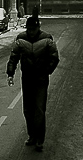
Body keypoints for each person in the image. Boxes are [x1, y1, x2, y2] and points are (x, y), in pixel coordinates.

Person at [6, 16, 59, 152]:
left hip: (41, 79)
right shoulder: (21, 38)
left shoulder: (47, 39)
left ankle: (40, 140)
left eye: (33, 29)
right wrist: (10, 73)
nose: (31, 32)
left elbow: (54, 58)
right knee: (28, 109)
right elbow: (14, 57)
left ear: (38, 28)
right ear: (27, 28)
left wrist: (46, 71)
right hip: (27, 78)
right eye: (29, 29)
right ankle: (32, 136)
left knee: (39, 109)